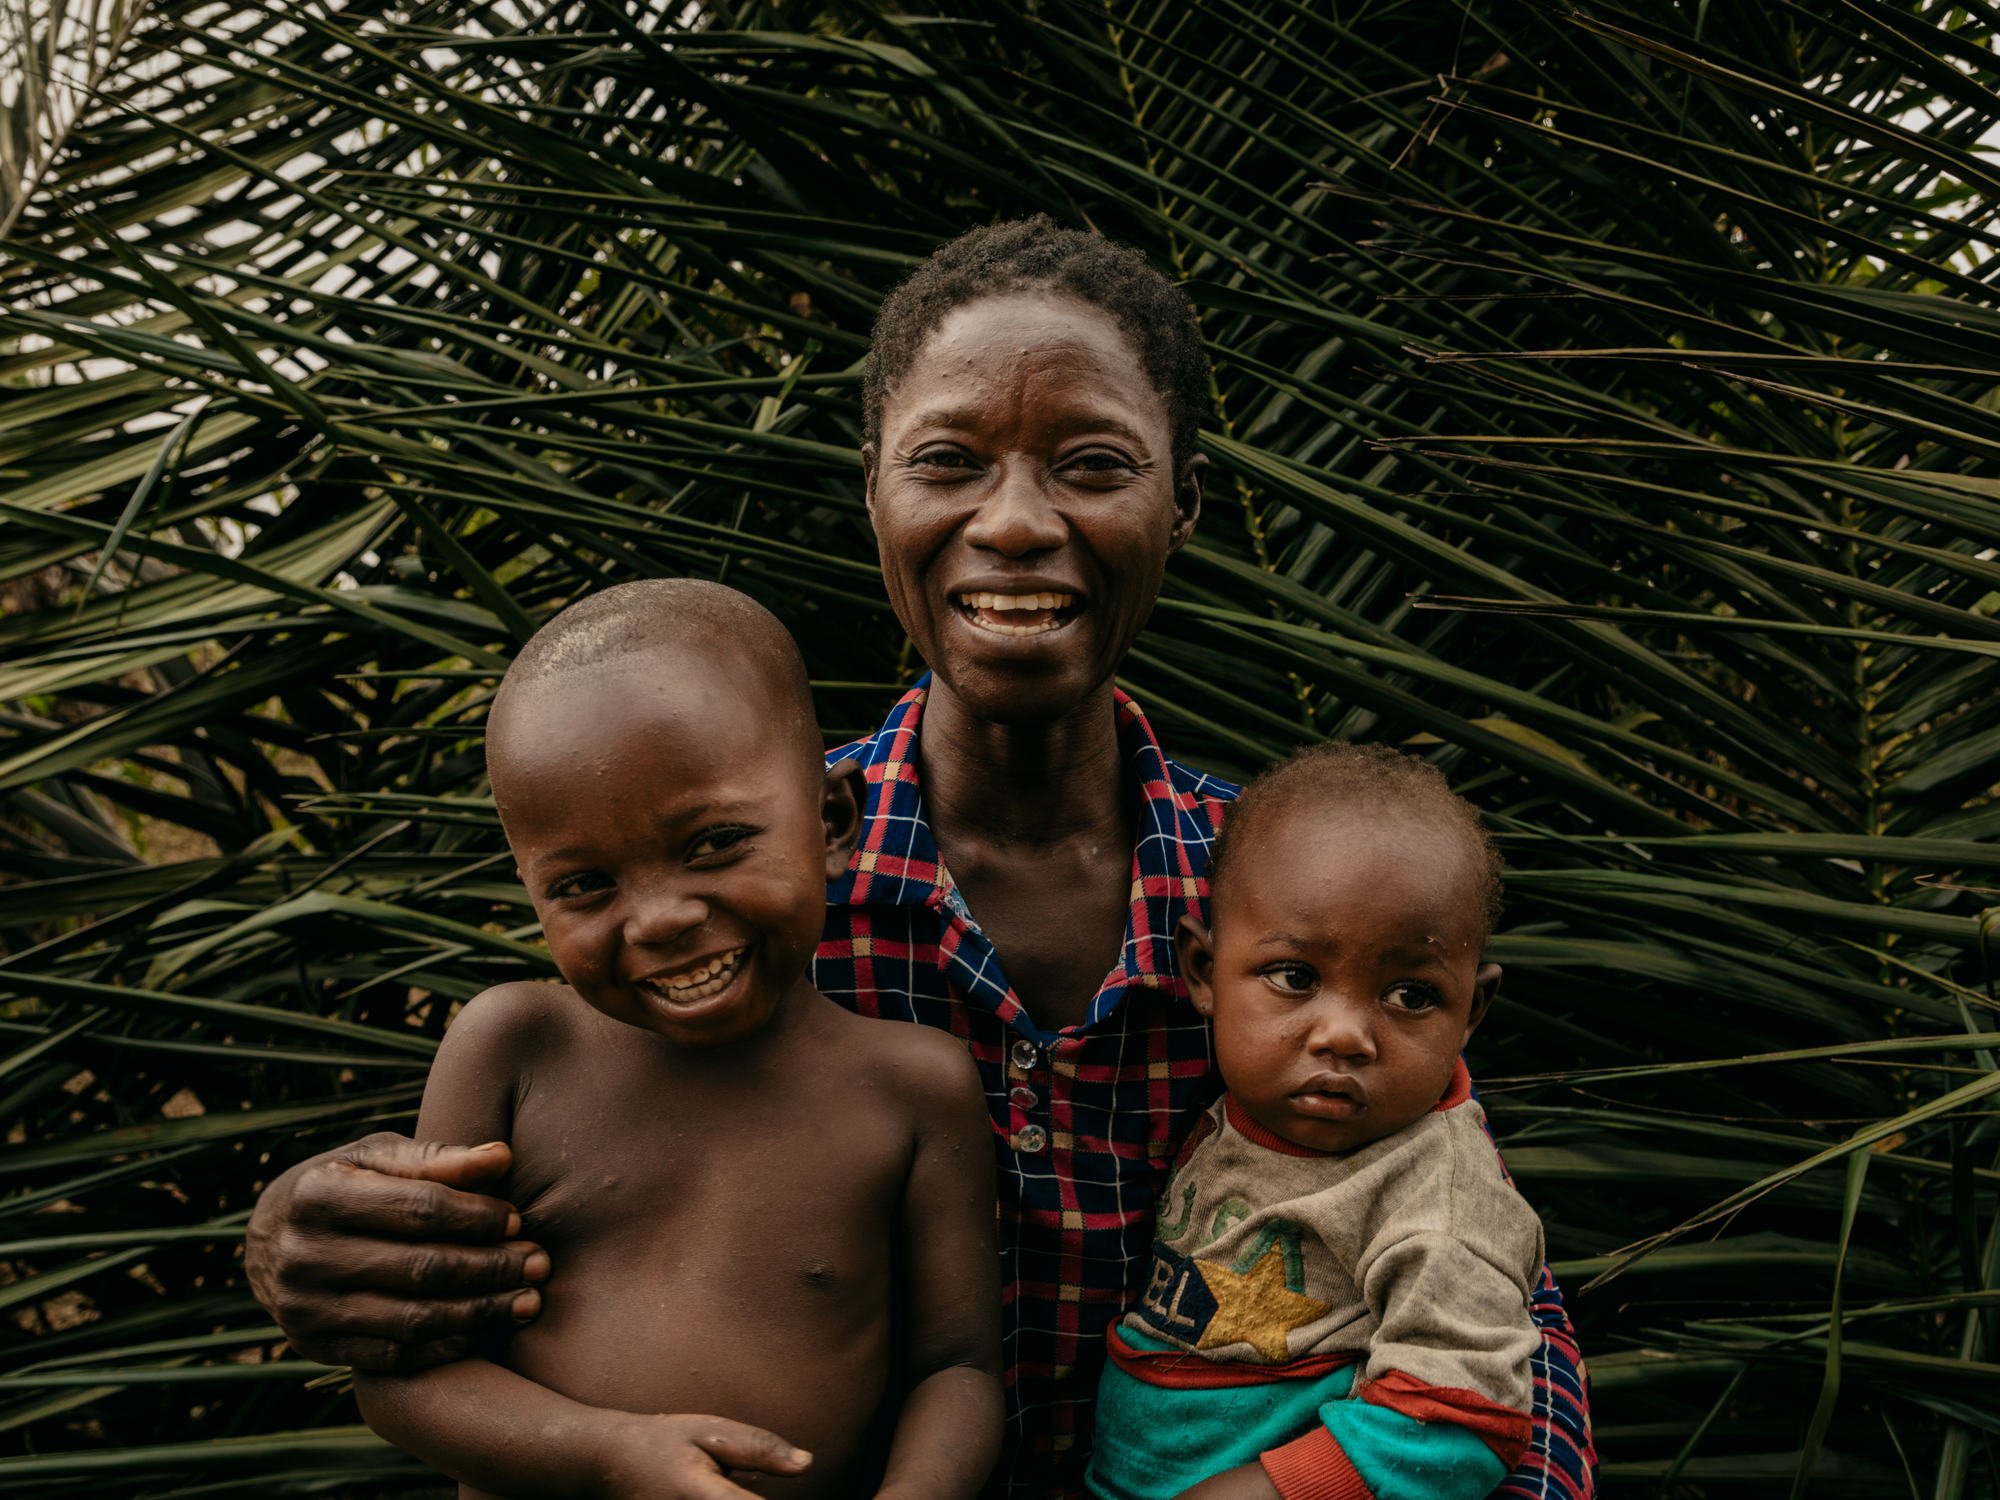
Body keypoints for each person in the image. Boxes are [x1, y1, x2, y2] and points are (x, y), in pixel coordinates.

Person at [245, 216, 1596, 1500]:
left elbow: (1476, 1278)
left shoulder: (1301, 911)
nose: (1012, 521)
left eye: (1092, 461)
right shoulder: (735, 888)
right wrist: (326, 1239)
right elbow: (543, 1189)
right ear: (876, 492)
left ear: (1184, 503)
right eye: (948, 459)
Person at [351, 579, 1002, 1499]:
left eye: (713, 843)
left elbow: (958, 1371)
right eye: (583, 886)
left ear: (834, 824)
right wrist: (607, 1455)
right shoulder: (515, 1049)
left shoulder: (911, 1089)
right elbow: (403, 1376)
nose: (657, 919)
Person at [1085, 743, 1542, 1500]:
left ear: (1472, 1012)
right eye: (1295, 978)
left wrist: (1269, 1491)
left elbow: (1463, 1417)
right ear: (1202, 972)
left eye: (1410, 996)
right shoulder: (1233, 1112)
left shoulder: (1437, 1189)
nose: (1345, 1035)